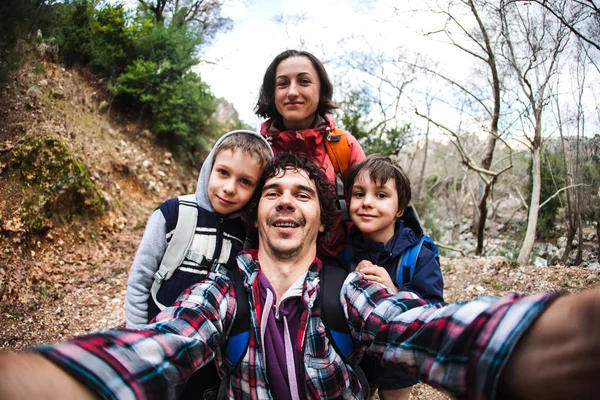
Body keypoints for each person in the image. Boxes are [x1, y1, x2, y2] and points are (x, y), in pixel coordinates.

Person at [1, 152, 600, 400]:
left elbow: (427, 329)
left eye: (303, 194)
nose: (286, 201)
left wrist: (573, 330)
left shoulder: (356, 289)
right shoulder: (218, 292)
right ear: (257, 212)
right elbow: (153, 349)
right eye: (274, 193)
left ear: (321, 218)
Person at [125, 130, 273, 328]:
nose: (229, 188)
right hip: (154, 336)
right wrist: (136, 334)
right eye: (223, 172)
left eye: (245, 182)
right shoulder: (174, 214)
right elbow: (139, 281)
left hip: (206, 348)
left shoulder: (245, 235)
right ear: (209, 169)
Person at [346, 155, 444, 400]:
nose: (367, 202)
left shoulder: (419, 253)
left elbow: (433, 309)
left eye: (381, 195)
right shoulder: (344, 248)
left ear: (400, 208)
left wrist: (394, 291)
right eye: (359, 194)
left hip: (400, 360)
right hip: (357, 354)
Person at [255, 49, 366, 263]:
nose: (293, 92)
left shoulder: (344, 147)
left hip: (336, 272)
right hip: (267, 271)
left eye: (304, 82)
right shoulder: (256, 150)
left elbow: (371, 214)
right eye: (283, 83)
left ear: (321, 90)